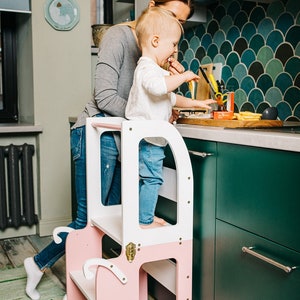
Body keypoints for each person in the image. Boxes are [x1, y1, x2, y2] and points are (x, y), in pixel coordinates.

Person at [23, 1, 195, 299]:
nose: (175, 25)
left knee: (113, 220)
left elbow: (145, 96)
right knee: (88, 220)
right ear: (153, 6)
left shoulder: (154, 53)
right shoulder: (118, 36)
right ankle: (38, 263)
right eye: (172, 16)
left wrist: (166, 90)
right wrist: (145, 119)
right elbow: (104, 97)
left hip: (123, 136)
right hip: (98, 131)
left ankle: (86, 281)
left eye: (180, 21)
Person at [126, 7, 215, 228]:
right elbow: (159, 88)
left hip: (148, 140)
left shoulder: (154, 70)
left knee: (147, 179)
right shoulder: (147, 70)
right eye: (173, 44)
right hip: (147, 141)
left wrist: (196, 103)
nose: (175, 51)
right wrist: (183, 76)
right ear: (155, 41)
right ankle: (144, 221)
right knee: (152, 180)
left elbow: (170, 98)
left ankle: (141, 216)